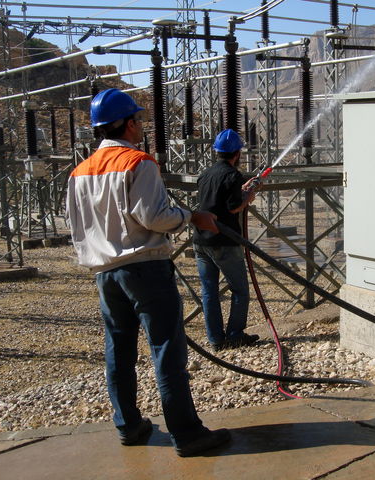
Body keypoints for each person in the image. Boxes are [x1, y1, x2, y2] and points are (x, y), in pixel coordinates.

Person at [65, 88, 230, 457]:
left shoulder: (79, 172)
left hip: (105, 273)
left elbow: (76, 225)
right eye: (137, 120)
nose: (141, 126)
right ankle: (187, 435)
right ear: (127, 124)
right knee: (167, 349)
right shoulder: (139, 162)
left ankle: (128, 425)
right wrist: (192, 216)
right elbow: (153, 217)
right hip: (145, 269)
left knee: (119, 349)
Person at [193, 128, 260, 351]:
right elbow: (233, 208)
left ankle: (215, 339)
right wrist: (248, 197)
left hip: (201, 240)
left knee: (209, 291)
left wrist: (240, 190)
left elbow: (216, 199)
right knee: (240, 289)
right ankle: (235, 335)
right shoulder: (233, 175)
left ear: (218, 151)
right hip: (224, 241)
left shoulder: (206, 174)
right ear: (237, 153)